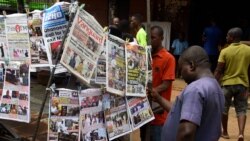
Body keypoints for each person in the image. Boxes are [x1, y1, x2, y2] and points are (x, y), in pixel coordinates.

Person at [150, 45, 224, 141]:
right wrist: (159, 99)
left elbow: (186, 133)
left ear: (191, 66)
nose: (181, 75)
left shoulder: (195, 89)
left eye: (181, 70)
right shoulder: (215, 87)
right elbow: (183, 112)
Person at [214, 27, 250, 141]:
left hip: (227, 84)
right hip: (243, 85)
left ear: (233, 37)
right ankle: (241, 134)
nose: (226, 37)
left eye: (228, 35)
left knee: (224, 109)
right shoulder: (248, 50)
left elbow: (219, 70)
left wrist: (213, 83)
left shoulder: (225, 51)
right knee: (242, 109)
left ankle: (225, 132)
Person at [141, 26, 175, 141]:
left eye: (153, 38)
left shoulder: (168, 58)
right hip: (143, 112)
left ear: (161, 38)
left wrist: (152, 91)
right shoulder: (146, 55)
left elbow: (166, 84)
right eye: (149, 38)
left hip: (159, 114)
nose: (150, 41)